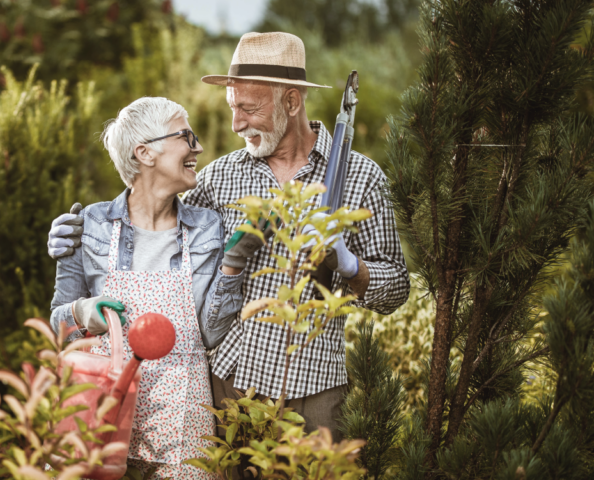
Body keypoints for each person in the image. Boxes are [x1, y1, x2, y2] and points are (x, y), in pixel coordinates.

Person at [48, 32, 410, 443]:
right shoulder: (219, 177)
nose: (236, 123)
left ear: (291, 102)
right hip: (230, 384)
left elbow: (396, 289)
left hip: (316, 390)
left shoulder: (361, 178)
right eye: (232, 107)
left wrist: (349, 265)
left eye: (249, 109)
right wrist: (75, 238)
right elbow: (148, 210)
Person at [49, 97, 244, 480]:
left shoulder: (206, 227)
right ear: (145, 152)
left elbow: (208, 332)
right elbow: (57, 325)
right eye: (186, 135)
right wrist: (83, 313)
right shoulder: (89, 225)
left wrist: (232, 269)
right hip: (101, 403)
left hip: (182, 415)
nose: (198, 147)